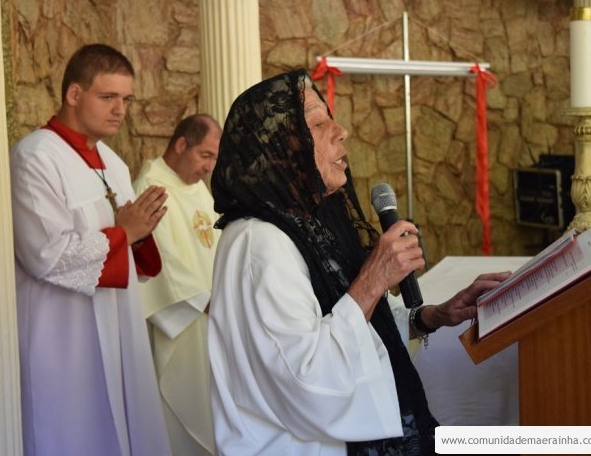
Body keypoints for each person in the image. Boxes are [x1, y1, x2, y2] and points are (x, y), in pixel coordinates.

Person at [207, 69, 509, 455]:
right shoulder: (258, 242)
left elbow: (354, 325)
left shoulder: (306, 223)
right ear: (282, 150)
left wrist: (430, 317)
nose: (341, 131)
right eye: (318, 124)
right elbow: (308, 380)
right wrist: (374, 279)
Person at [10, 43, 171, 456]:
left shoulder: (113, 163)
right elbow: (45, 254)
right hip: (62, 334)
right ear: (74, 94)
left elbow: (128, 243)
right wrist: (124, 233)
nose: (120, 110)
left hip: (118, 323)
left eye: (126, 99)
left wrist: (140, 233)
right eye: (108, 96)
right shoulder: (35, 158)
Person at [134, 114, 222, 456]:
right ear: (181, 144)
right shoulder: (151, 188)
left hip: (216, 317)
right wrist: (208, 300)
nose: (209, 167)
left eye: (214, 158)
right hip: (187, 320)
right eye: (205, 155)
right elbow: (162, 262)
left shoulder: (197, 188)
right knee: (184, 417)